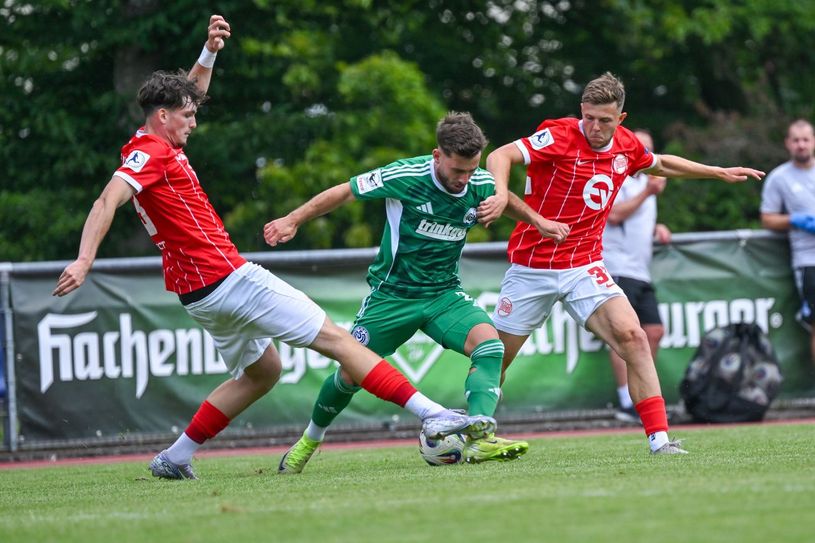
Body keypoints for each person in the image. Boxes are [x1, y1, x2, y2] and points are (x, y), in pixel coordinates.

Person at [52, 15, 496, 480]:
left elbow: (191, 92)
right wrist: (85, 260)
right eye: (188, 115)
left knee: (263, 373)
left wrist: (209, 52)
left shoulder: (160, 142)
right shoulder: (151, 152)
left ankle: (175, 457)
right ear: (163, 117)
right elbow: (108, 199)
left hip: (197, 294)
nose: (196, 119)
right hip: (228, 278)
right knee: (338, 341)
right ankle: (433, 414)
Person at [480, 72, 764, 455]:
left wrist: (716, 172)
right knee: (496, 357)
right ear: (581, 110)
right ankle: (470, 429)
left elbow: (661, 164)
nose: (594, 127)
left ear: (621, 118)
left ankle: (660, 441)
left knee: (635, 338)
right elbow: (500, 155)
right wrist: (500, 192)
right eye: (589, 117)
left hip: (584, 265)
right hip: (532, 267)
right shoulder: (561, 134)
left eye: (605, 120)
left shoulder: (627, 146)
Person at [264, 112, 563, 472]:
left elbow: (505, 197)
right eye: (457, 171)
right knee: (348, 374)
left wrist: (538, 221)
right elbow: (345, 192)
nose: (465, 180)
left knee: (490, 346)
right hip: (393, 297)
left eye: (471, 171)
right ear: (437, 156)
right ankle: (310, 439)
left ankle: (480, 437)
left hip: (443, 295)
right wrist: (292, 219)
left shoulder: (479, 182)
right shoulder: (404, 177)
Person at [602, 129, 671, 423]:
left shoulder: (647, 182)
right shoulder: (618, 178)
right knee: (623, 335)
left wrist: (658, 227)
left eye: (649, 149)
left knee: (653, 331)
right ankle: (626, 401)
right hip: (618, 266)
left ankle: (643, 394)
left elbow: (639, 217)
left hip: (640, 269)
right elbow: (614, 215)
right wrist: (647, 193)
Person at [760, 119, 815, 371]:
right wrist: (795, 220)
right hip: (808, 262)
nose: (801, 145)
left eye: (806, 139)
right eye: (796, 140)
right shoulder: (779, 178)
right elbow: (767, 217)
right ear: (788, 144)